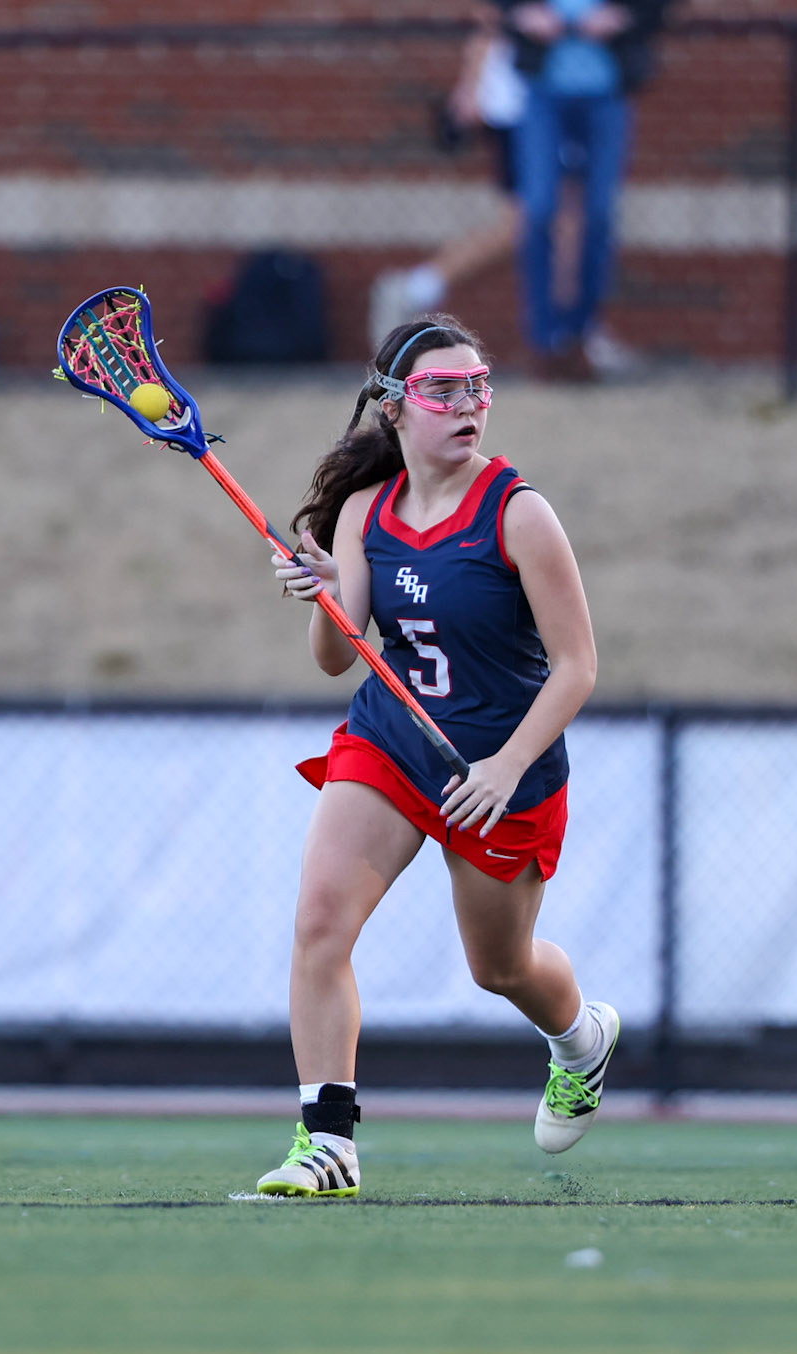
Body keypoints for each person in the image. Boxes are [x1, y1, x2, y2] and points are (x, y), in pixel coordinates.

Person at [255, 315, 613, 1198]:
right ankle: (326, 1142)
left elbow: (577, 666)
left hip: (501, 767)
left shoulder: (518, 513)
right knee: (319, 923)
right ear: (394, 407)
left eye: (477, 386)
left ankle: (581, 1040)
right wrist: (328, 596)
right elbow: (336, 658)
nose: (467, 405)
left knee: (500, 968)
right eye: (442, 390)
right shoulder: (363, 514)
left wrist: (504, 767)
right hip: (392, 739)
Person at [497, 0, 674, 380]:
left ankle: (581, 335)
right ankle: (544, 341)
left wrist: (626, 16)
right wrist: (520, 13)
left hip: (607, 93)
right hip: (543, 92)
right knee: (540, 210)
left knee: (599, 216)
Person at [369, 11, 529, 347]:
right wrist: (469, 89)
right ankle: (416, 286)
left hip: (536, 108)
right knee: (533, 222)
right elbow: (488, 21)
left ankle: (576, 329)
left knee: (550, 224)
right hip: (517, 111)